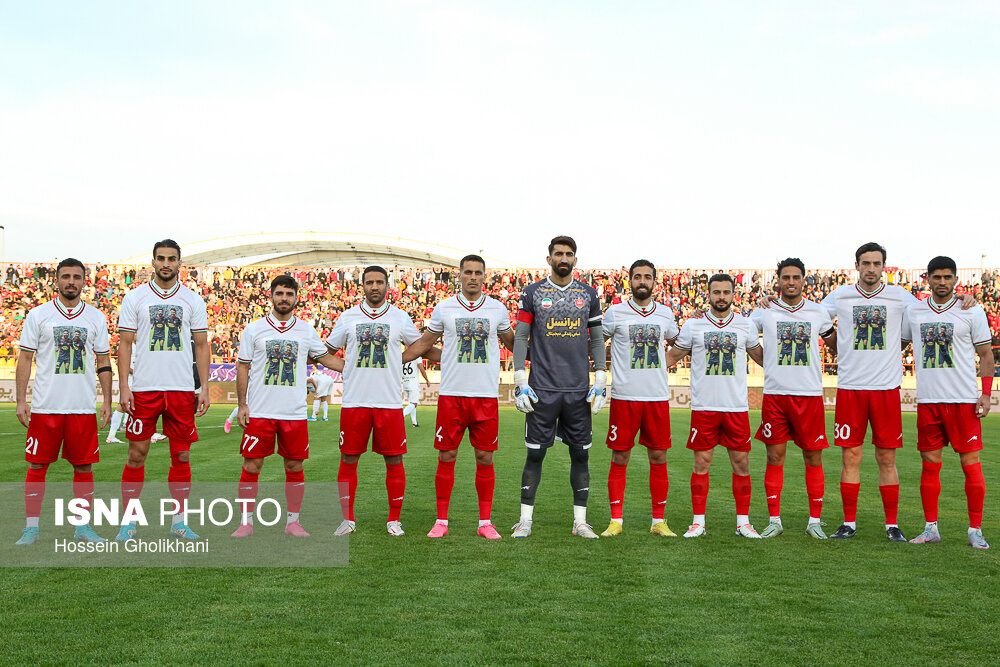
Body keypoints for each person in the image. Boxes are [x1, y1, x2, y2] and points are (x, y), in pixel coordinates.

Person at [820, 242, 975, 541]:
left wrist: (963, 298)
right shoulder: (840, 295)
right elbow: (812, 314)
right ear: (857, 266)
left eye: (876, 264)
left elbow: (934, 306)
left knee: (886, 459)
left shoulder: (901, 297)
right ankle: (848, 523)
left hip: (886, 388)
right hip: (851, 387)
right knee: (850, 457)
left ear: (884, 267)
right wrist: (771, 303)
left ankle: (892, 524)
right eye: (865, 263)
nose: (871, 269)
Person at [404, 254, 513, 538]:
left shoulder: (497, 309)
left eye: (478, 272)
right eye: (468, 272)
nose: (473, 277)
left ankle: (485, 523)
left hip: (485, 395)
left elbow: (513, 343)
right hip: (452, 395)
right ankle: (441, 521)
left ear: (485, 276)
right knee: (447, 455)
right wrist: (395, 361)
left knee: (485, 458)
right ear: (460, 275)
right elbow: (425, 344)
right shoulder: (444, 308)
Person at [230, 276, 344, 538]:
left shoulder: (305, 330)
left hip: (293, 413)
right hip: (260, 411)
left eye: (289, 294)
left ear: (296, 297)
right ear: (271, 296)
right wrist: (242, 404)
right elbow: (243, 367)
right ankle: (246, 522)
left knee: (294, 467)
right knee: (251, 467)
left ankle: (293, 522)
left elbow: (325, 358)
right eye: (279, 293)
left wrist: (354, 370)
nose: (284, 298)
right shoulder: (254, 329)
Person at [510, 236, 607, 539]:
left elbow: (596, 338)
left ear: (575, 260)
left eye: (569, 254)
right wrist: (519, 379)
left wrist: (601, 377)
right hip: (542, 389)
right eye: (558, 254)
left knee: (581, 456)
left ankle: (580, 522)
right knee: (535, 455)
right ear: (549, 258)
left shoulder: (588, 294)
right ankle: (525, 520)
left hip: (578, 391)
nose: (564, 258)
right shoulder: (533, 293)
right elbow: (522, 337)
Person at [115, 239, 210, 541]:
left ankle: (179, 523)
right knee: (136, 454)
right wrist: (125, 387)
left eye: (172, 258)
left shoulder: (193, 300)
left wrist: (204, 387)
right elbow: (125, 344)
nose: (166, 263)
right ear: (153, 262)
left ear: (180, 263)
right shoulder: (135, 298)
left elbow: (201, 344)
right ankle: (128, 523)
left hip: (182, 388)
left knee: (181, 456)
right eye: (161, 258)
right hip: (144, 388)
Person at [14, 258, 114, 545]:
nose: (71, 281)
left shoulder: (95, 317)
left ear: (85, 281)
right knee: (36, 467)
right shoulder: (38, 315)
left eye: (77, 277)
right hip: (46, 407)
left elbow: (104, 360)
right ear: (56, 280)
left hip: (82, 407)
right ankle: (31, 528)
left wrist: (106, 400)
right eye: (66, 276)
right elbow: (25, 358)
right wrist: (22, 401)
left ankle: (82, 528)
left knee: (84, 468)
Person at [665, 273, 764, 538]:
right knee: (701, 463)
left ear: (734, 295)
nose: (721, 297)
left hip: (736, 408)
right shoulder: (693, 325)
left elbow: (763, 358)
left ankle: (743, 522)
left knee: (742, 464)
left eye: (726, 292)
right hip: (704, 406)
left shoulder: (745, 325)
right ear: (708, 294)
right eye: (716, 292)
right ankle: (698, 522)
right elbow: (671, 357)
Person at [903, 256, 993, 549]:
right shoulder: (914, 312)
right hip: (929, 400)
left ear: (956, 280)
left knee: (970, 464)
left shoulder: (972, 311)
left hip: (963, 400)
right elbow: (898, 344)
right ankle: (931, 528)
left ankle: (975, 528)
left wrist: (986, 393)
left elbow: (986, 354)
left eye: (947, 277)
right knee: (929, 464)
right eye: (936, 277)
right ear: (927, 279)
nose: (942, 282)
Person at [327, 265, 422, 537]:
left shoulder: (399, 317)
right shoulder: (348, 317)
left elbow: (420, 345)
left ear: (388, 286)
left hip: (389, 403)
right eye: (370, 282)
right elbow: (327, 351)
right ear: (362, 286)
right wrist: (346, 366)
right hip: (354, 401)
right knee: (348, 459)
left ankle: (394, 520)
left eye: (380, 282)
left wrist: (400, 359)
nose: (375, 287)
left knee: (394, 461)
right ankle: (347, 520)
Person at [751, 258, 835, 539]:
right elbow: (744, 336)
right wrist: (767, 361)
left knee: (813, 458)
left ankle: (814, 521)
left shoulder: (818, 311)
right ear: (778, 280)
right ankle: (774, 520)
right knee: (774, 457)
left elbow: (835, 342)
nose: (790, 282)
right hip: (775, 395)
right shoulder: (764, 310)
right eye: (785, 277)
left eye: (795, 277)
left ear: (803, 280)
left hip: (809, 395)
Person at [599, 259, 679, 538]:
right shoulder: (615, 313)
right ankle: (616, 520)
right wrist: (600, 373)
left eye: (647, 277)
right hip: (624, 396)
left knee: (659, 457)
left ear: (655, 282)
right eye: (637, 277)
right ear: (629, 281)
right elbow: (598, 342)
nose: (642, 281)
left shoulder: (666, 314)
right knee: (620, 457)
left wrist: (662, 364)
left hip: (656, 397)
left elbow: (678, 344)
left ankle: (658, 521)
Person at [107, 367, 167, 444]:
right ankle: (150, 434)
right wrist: (138, 373)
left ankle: (111, 436)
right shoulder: (129, 355)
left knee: (127, 407)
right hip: (131, 382)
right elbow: (120, 362)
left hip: (135, 382)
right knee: (125, 407)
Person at [400, 356, 430, 427]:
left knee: (412, 403)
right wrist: (427, 380)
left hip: (405, 382)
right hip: (413, 382)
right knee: (414, 403)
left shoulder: (403, 356)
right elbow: (422, 369)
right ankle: (400, 417)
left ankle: (414, 423)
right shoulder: (417, 357)